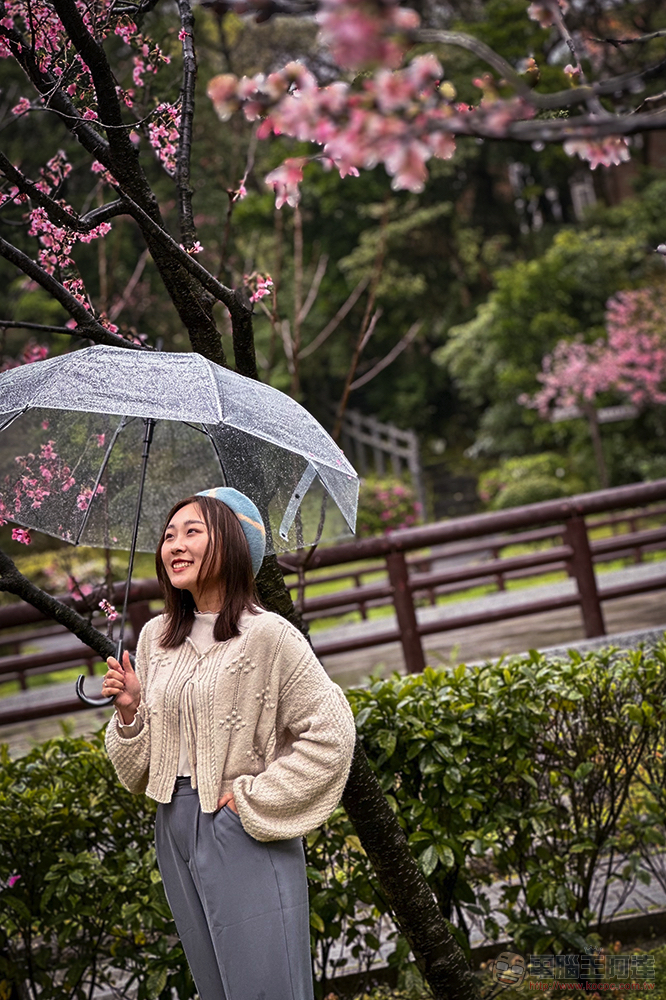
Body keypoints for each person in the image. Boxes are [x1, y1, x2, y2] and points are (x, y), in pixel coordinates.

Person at [104, 487, 356, 1000]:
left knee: (267, 988)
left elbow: (332, 732)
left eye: (192, 531)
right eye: (169, 534)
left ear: (233, 544)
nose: (175, 543)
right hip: (172, 825)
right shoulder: (156, 637)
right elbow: (137, 771)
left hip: (240, 826)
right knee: (218, 989)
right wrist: (130, 711)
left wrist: (249, 800)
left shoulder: (269, 636)